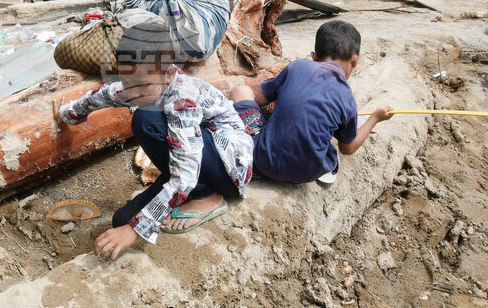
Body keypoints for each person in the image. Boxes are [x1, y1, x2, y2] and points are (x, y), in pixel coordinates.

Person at [55, 22, 254, 261]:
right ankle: (184, 193)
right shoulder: (141, 81)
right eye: (129, 82)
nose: (134, 92)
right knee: (122, 220)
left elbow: (186, 174)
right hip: (194, 155)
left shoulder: (183, 100)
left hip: (228, 167)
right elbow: (107, 94)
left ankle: (207, 197)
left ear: (169, 73)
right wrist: (69, 114)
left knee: (145, 119)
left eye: (142, 85)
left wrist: (135, 230)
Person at [230, 20, 392, 186]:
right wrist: (375, 118)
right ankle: (326, 169)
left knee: (240, 91)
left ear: (314, 56)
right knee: (325, 142)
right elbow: (347, 148)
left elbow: (259, 98)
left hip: (261, 161)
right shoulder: (348, 99)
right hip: (307, 174)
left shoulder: (298, 66)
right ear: (355, 60)